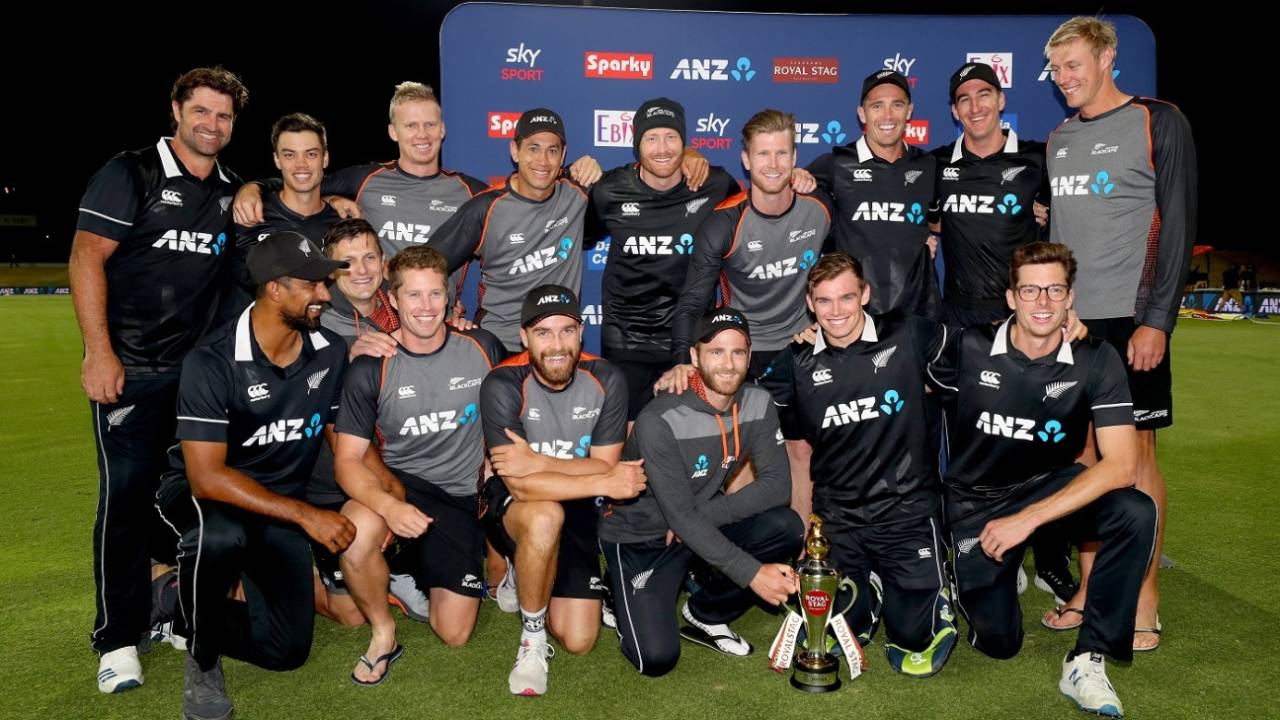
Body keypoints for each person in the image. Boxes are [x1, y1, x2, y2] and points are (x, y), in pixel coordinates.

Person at [69, 66, 248, 693]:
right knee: (124, 503)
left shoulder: (230, 190)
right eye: (200, 111)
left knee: (194, 500)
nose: (212, 125)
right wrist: (99, 352)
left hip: (197, 380)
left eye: (223, 116)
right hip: (131, 371)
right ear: (176, 110)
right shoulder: (131, 171)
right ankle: (118, 638)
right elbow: (86, 255)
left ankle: (177, 605)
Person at [930, 241, 1155, 717]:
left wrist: (1028, 519)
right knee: (998, 643)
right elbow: (896, 364)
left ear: (1071, 297)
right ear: (1010, 298)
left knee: (1135, 510)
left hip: (1049, 490)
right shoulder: (967, 346)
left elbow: (1122, 465)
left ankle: (1088, 659)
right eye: (1030, 291)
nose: (1044, 302)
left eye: (1055, 290)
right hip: (976, 503)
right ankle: (974, 573)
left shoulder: (1097, 358)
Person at [154, 231, 354, 720]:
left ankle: (172, 599)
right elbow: (206, 477)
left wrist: (388, 495)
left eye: (325, 283)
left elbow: (341, 443)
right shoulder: (213, 360)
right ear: (273, 289)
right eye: (312, 285)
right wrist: (308, 516)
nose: (325, 295)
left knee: (286, 652)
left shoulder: (330, 351)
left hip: (278, 504)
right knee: (218, 537)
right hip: (206, 494)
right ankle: (202, 662)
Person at [1045, 16, 1198, 649]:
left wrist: (1156, 320)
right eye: (1055, 70)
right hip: (1072, 327)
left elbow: (1180, 224)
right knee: (1085, 461)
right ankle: (1090, 588)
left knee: (1135, 462)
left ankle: (1144, 595)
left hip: (1132, 323)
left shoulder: (1159, 121)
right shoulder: (1057, 138)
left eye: (1074, 64)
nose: (1065, 78)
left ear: (1107, 56)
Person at [757, 253, 956, 676]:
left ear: (865, 294)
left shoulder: (909, 332)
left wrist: (1060, 335)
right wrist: (689, 375)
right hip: (839, 518)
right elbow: (741, 401)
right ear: (810, 304)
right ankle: (870, 587)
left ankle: (918, 585)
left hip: (908, 512)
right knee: (845, 627)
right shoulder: (796, 360)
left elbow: (985, 353)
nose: (836, 312)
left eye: (846, 298)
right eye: (824, 301)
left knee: (915, 640)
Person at [333, 246, 505, 683]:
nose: (425, 307)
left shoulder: (482, 346)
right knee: (356, 533)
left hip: (461, 502)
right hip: (401, 487)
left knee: (455, 632)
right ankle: (383, 633)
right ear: (392, 300)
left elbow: (516, 414)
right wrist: (389, 507)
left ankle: (403, 568)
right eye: (413, 296)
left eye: (434, 294)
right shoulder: (372, 367)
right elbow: (349, 462)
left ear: (449, 296)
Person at [600, 307, 802, 676]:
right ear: (694, 357)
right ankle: (617, 594)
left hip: (695, 524)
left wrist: (701, 518)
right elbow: (678, 515)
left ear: (749, 355)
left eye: (738, 352)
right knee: (655, 659)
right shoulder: (659, 418)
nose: (728, 364)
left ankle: (706, 610)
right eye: (716, 352)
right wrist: (752, 573)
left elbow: (778, 486)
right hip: (641, 537)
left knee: (786, 526)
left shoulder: (757, 402)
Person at [479, 285, 643, 695]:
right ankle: (532, 639)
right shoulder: (502, 382)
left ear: (581, 331)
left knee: (579, 640)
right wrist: (602, 480)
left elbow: (604, 463)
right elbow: (519, 482)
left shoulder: (606, 377)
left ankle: (531, 565)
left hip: (578, 497)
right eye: (544, 332)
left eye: (566, 331)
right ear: (524, 337)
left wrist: (541, 461)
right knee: (544, 514)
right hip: (519, 501)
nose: (556, 345)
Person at [436, 110, 590, 352]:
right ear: (514, 151)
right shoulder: (486, 208)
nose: (543, 160)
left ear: (563, 156)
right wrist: (441, 312)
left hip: (558, 347)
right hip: (500, 345)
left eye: (552, 151)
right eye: (533, 148)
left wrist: (589, 168)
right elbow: (423, 263)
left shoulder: (577, 193)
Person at [807, 70, 940, 319]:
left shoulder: (929, 164)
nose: (887, 115)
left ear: (909, 111)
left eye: (897, 105)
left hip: (917, 313)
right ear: (862, 113)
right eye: (877, 106)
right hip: (851, 314)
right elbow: (792, 209)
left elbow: (945, 218)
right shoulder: (836, 163)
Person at [224, 113, 341, 317]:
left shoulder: (342, 224)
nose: (301, 164)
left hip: (316, 337)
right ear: (277, 159)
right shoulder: (245, 212)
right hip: (246, 340)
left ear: (326, 158)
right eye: (289, 155)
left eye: (311, 154)